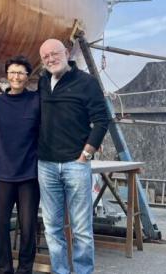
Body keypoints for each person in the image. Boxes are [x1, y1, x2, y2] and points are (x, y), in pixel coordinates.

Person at [37, 38, 111, 274]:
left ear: (67, 53)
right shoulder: (42, 83)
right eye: (45, 56)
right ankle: (60, 271)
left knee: (81, 229)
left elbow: (102, 119)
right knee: (51, 228)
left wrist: (86, 154)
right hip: (46, 165)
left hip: (75, 164)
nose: (50, 59)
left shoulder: (86, 83)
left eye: (54, 53)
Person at [0, 55, 40, 274]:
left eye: (21, 73)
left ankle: (25, 270)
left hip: (29, 174)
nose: (16, 77)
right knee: (0, 226)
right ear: (7, 76)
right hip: (3, 174)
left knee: (27, 227)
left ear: (27, 77)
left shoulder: (37, 100)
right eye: (12, 72)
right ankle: (4, 270)